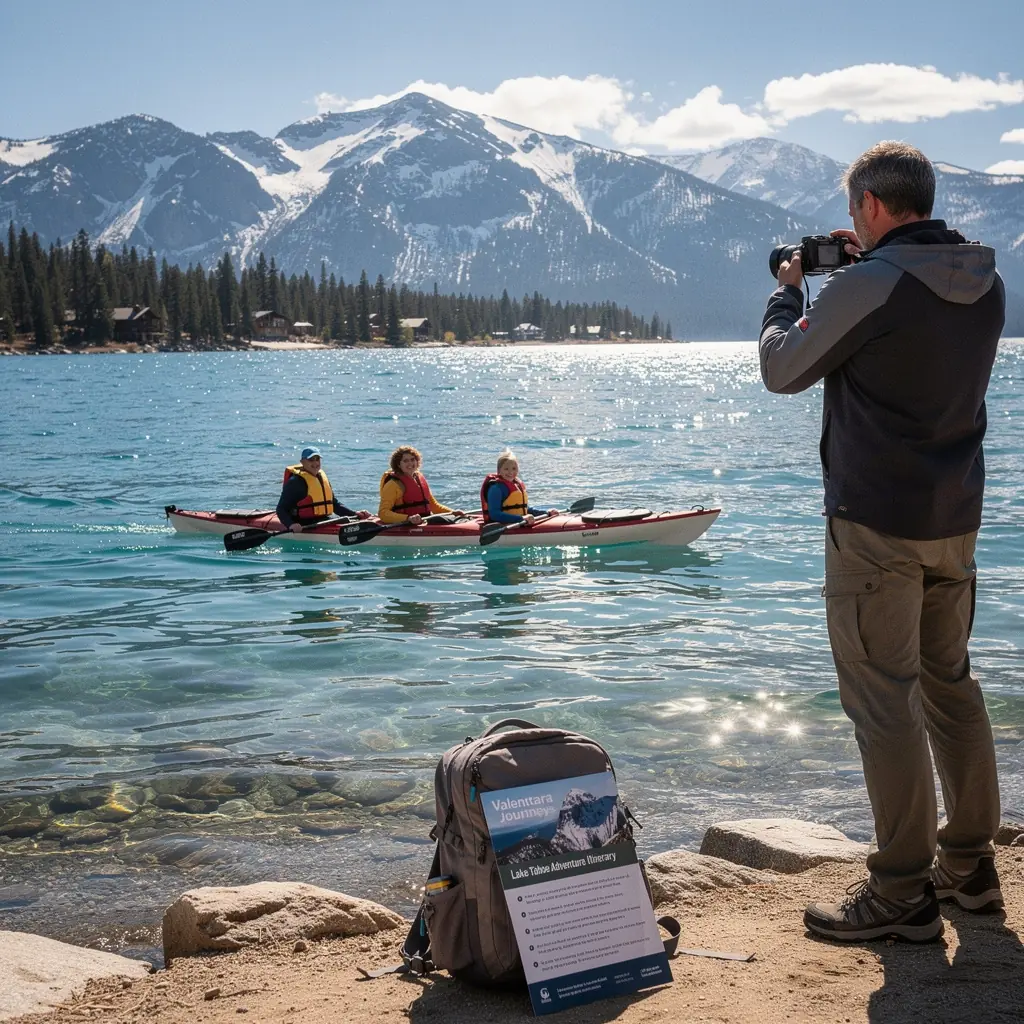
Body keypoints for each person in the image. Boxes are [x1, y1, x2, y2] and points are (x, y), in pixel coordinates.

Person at [759, 141, 1005, 944]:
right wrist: (874, 264)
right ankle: (968, 867)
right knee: (951, 687)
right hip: (955, 520)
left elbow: (785, 370)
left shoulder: (868, 284)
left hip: (875, 527)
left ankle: (900, 889)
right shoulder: (985, 281)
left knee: (883, 704)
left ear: (868, 204)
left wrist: (787, 298)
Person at [277, 446, 371, 532]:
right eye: (311, 460)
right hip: (303, 523)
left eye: (317, 459)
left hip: (323, 520)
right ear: (302, 462)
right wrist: (291, 524)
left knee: (348, 520)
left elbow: (334, 504)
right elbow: (281, 509)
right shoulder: (295, 482)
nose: (315, 463)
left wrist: (354, 514)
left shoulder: (321, 478)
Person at [378, 446, 465, 525]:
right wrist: (408, 518)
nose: (410, 463)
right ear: (398, 465)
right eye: (405, 461)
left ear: (417, 461)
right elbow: (383, 513)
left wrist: (452, 512)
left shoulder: (419, 478)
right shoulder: (393, 485)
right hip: (404, 524)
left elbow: (433, 505)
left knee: (447, 519)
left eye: (412, 459)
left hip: (424, 519)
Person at [480, 450, 557, 525]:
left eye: (514, 468)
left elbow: (526, 509)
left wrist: (547, 512)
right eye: (506, 469)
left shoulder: (517, 485)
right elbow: (495, 515)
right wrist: (521, 519)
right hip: (503, 525)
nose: (510, 472)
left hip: (519, 522)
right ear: (499, 471)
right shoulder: (496, 489)